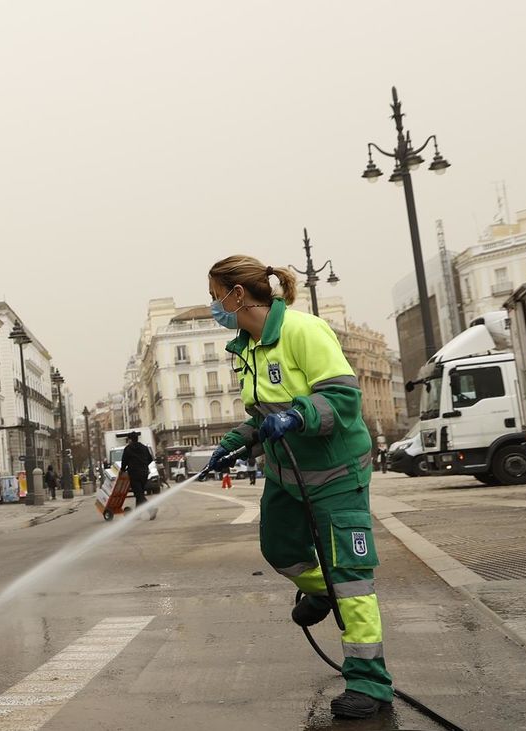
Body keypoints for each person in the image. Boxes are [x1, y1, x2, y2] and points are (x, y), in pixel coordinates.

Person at [202, 255, 392, 719]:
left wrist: (298, 415)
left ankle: (369, 683)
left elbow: (343, 398)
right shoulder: (246, 348)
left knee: (350, 576)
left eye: (215, 297)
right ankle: (322, 589)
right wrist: (236, 441)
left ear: (238, 295)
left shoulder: (304, 331)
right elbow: (263, 415)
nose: (214, 307)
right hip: (286, 473)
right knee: (279, 548)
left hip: (336, 473)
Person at [118, 432, 156, 520]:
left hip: (134, 474)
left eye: (128, 440)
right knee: (140, 493)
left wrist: (122, 471)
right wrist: (144, 465)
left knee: (139, 494)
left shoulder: (128, 449)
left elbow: (124, 462)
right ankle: (137, 514)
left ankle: (151, 509)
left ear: (130, 440)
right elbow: (150, 459)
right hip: (144, 473)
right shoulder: (144, 447)